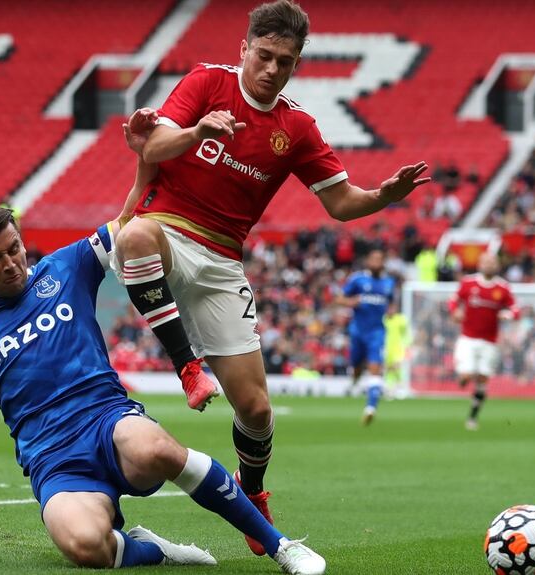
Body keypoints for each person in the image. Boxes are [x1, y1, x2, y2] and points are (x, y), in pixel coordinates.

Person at [0, 204, 326, 574]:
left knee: (158, 447)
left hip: (106, 419)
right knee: (85, 548)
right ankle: (154, 550)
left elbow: (128, 221)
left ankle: (281, 548)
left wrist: (148, 156)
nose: (11, 263)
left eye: (15, 249)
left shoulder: (66, 268)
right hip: (52, 457)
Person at [114, 0, 430, 553]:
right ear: (245, 48)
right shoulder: (206, 83)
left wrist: (385, 195)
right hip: (166, 227)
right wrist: (196, 130)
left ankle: (253, 492)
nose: (271, 69)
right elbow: (152, 146)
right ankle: (187, 365)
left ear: (296, 63)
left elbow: (340, 202)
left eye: (285, 61)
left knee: (257, 409)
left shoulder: (297, 126)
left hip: (221, 261)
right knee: (131, 238)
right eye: (264, 55)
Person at [449, 252, 520, 431]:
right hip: (468, 338)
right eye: (486, 262)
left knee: (482, 380)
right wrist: (455, 311)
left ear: (497, 266)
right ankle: (464, 379)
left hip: (490, 341)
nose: (489, 265)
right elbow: (453, 301)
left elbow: (516, 309)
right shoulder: (468, 283)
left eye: (492, 262)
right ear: (479, 264)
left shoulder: (503, 288)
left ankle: (472, 416)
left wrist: (508, 314)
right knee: (467, 374)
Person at [336, 249, 395, 425]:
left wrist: (391, 311)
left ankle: (371, 408)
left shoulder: (389, 283)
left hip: (377, 332)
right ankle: (354, 381)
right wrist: (350, 302)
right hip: (357, 332)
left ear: (383, 262)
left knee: (375, 366)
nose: (377, 262)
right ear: (368, 261)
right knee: (356, 367)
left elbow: (391, 302)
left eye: (380, 259)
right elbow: (339, 298)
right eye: (374, 259)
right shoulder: (357, 279)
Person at [383, 300, 410, 400]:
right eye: (388, 308)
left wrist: (407, 346)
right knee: (389, 368)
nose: (390, 310)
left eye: (392, 308)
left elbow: (407, 334)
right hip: (386, 348)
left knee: (396, 367)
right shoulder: (383, 319)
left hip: (398, 348)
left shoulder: (401, 319)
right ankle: (389, 389)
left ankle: (401, 387)